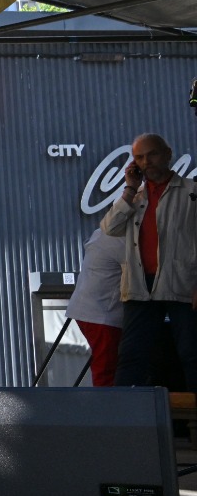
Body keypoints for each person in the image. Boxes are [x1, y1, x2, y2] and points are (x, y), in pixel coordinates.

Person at [103, 133, 197, 390]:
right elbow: (110, 228)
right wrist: (130, 187)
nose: (146, 162)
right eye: (139, 157)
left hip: (183, 282)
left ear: (167, 154)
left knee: (191, 353)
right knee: (131, 356)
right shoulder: (136, 197)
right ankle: (124, 412)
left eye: (152, 154)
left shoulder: (191, 191)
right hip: (140, 284)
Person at [64, 228, 125, 387]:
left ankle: (105, 397)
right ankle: (105, 400)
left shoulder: (101, 232)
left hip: (86, 309)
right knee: (106, 368)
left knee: (105, 364)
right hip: (103, 314)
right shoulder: (124, 239)